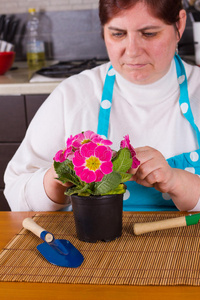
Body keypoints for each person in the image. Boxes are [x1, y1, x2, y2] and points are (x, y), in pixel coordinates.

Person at [4, 0, 200, 212]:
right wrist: (57, 179)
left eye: (149, 33)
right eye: (117, 34)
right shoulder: (73, 94)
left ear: (179, 25)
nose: (132, 51)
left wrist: (177, 180)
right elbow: (16, 194)